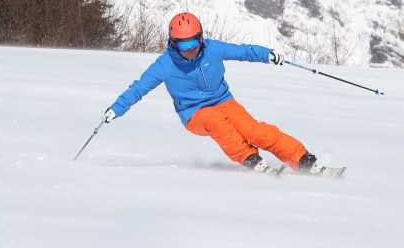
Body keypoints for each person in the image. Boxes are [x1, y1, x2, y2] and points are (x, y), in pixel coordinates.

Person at [102, 12, 318, 173]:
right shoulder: (165, 65)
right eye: (183, 45)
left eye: (194, 42)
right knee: (216, 121)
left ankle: (301, 159)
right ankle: (249, 158)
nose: (190, 50)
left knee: (253, 131)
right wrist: (116, 109)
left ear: (201, 38)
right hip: (193, 113)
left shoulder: (212, 49)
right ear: (173, 43)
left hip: (223, 100)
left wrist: (267, 55)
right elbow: (139, 88)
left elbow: (243, 51)